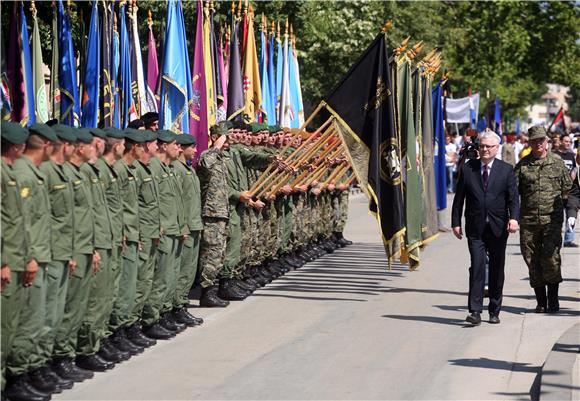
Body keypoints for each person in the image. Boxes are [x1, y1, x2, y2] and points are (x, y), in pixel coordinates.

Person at [451, 129, 520, 325]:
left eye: (489, 146)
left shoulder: (506, 170)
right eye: (481, 146)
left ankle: (495, 309)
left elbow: (513, 199)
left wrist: (514, 218)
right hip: (476, 227)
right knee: (478, 266)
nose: (485, 150)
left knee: (497, 268)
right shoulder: (468, 168)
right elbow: (459, 199)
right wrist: (456, 222)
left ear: (496, 148)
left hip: (498, 228)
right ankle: (475, 310)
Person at [515, 125, 572, 313]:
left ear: (547, 142)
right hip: (529, 221)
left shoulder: (557, 163)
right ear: (529, 143)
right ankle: (541, 301)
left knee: (551, 258)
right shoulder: (522, 166)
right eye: (534, 141)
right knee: (531, 259)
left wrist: (568, 212)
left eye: (541, 140)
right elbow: (513, 193)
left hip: (552, 222)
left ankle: (553, 300)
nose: (538, 143)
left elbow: (569, 189)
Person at [553, 133, 578, 247]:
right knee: (556, 217)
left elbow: (574, 169)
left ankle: (568, 240)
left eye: (570, 142)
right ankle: (554, 239)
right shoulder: (554, 155)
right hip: (556, 190)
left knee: (571, 214)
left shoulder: (572, 155)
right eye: (566, 141)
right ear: (561, 141)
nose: (568, 143)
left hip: (570, 191)